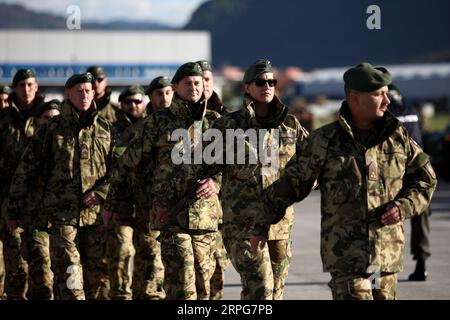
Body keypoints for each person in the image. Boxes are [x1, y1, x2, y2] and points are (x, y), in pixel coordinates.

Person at [253, 62, 437, 300]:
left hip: (386, 257)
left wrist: (403, 207)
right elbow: (289, 186)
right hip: (346, 259)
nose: (387, 101)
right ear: (354, 97)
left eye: (386, 93)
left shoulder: (397, 137)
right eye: (378, 94)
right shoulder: (324, 141)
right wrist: (259, 226)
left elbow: (426, 179)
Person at [177, 59, 309, 299]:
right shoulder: (229, 125)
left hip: (280, 224)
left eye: (271, 81)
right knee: (262, 289)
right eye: (260, 82)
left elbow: (313, 165)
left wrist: (296, 186)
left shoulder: (290, 125)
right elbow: (196, 166)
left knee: (273, 292)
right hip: (242, 224)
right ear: (247, 87)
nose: (267, 86)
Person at [104, 62, 222, 300]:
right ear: (176, 87)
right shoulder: (157, 123)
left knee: (203, 284)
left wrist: (216, 182)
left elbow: (231, 165)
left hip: (206, 217)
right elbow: (128, 164)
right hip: (170, 216)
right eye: (187, 83)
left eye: (198, 83)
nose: (194, 87)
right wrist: (112, 202)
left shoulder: (215, 122)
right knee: (182, 281)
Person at [7, 72, 114, 300]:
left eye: (87, 90)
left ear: (94, 93)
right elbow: (26, 168)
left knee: (95, 280)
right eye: (78, 91)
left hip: (94, 218)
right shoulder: (51, 129)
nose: (84, 95)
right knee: (71, 278)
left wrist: (102, 193)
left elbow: (120, 171)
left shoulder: (105, 128)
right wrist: (14, 207)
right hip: (62, 216)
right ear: (68, 94)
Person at [105, 85, 165, 299]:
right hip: (121, 204)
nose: (133, 105)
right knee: (122, 249)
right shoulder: (111, 131)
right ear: (121, 104)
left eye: (137, 101)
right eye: (128, 101)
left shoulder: (154, 128)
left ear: (145, 103)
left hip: (147, 204)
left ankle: (146, 293)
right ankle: (121, 294)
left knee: (149, 253)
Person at [0, 68, 45, 300]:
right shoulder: (4, 120)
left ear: (36, 87)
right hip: (10, 201)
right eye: (21, 85)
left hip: (42, 202)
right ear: (14, 89)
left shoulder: (49, 116)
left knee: (43, 264)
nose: (26, 90)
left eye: (30, 85)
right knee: (15, 263)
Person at [388, 84, 431, 281]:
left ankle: (380, 272)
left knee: (383, 217)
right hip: (417, 169)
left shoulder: (386, 111)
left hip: (394, 172)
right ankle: (421, 263)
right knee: (420, 216)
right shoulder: (412, 109)